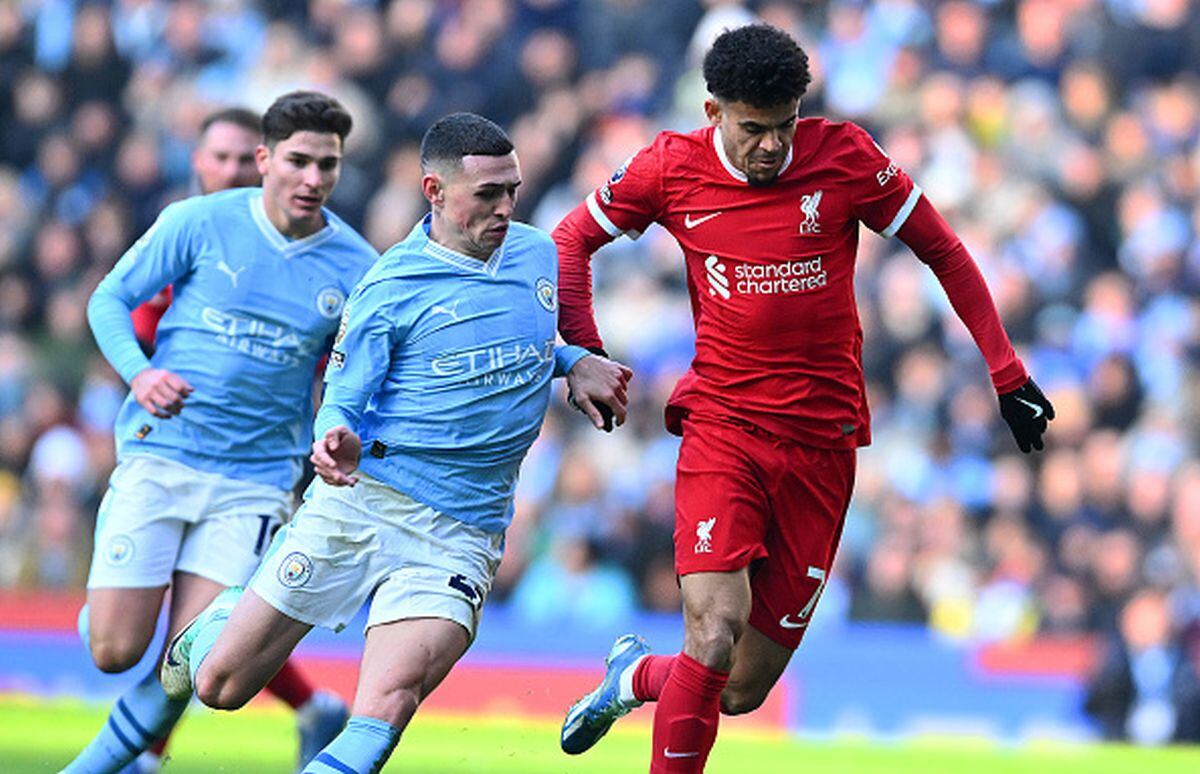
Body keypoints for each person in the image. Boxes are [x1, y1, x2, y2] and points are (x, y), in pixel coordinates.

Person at [555, 24, 1056, 772]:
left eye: (785, 126)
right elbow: (569, 239)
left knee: (738, 687)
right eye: (754, 129)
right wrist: (584, 354)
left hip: (823, 446)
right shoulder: (669, 166)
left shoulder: (845, 156)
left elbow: (942, 248)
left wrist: (1006, 371)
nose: (771, 146)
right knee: (714, 630)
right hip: (723, 427)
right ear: (713, 110)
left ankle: (633, 677)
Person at [154, 112, 632, 774]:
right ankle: (215, 625)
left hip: (463, 532)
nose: (505, 208)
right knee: (220, 688)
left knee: (387, 706)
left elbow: (515, 344)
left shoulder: (535, 254)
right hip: (365, 502)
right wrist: (331, 440)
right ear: (433, 191)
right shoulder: (389, 286)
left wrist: (574, 360)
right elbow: (343, 398)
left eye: (513, 190)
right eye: (487, 194)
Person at [64, 91, 377, 774]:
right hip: (161, 456)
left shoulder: (357, 266)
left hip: (254, 482)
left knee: (190, 661)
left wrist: (337, 429)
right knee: (114, 651)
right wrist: (141, 375)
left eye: (328, 166)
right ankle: (107, 611)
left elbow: (359, 372)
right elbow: (109, 299)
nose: (313, 179)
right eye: (299, 160)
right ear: (267, 160)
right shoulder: (198, 222)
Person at [129, 107, 263, 354]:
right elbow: (139, 328)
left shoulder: (292, 242)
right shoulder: (174, 233)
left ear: (265, 162)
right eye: (221, 157)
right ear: (198, 160)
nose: (231, 172)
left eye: (245, 160)